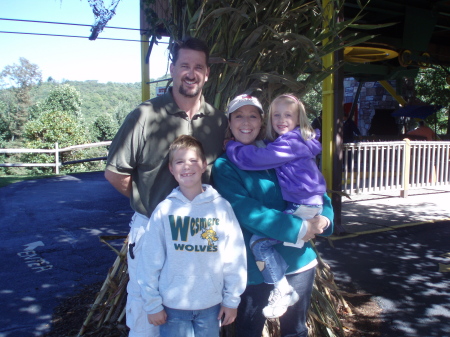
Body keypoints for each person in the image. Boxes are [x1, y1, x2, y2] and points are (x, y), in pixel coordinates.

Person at [104, 37, 228, 337]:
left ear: (207, 73)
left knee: (194, 318)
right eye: (184, 65)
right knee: (148, 320)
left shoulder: (218, 121)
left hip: (199, 233)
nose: (191, 73)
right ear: (172, 69)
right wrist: (151, 205)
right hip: (150, 231)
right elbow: (115, 173)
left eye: (198, 67)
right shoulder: (146, 116)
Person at [212, 94, 334, 337]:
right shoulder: (224, 166)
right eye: (239, 116)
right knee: (249, 331)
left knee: (296, 331)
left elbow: (315, 189)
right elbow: (245, 211)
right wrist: (298, 228)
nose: (246, 122)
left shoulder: (278, 150)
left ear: (260, 122)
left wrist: (325, 219)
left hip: (298, 260)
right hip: (254, 267)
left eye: (252, 116)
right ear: (229, 122)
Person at [136, 135, 247, 337]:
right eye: (179, 161)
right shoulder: (164, 210)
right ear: (171, 169)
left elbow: (234, 256)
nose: (187, 166)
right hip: (172, 308)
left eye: (193, 160)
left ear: (204, 165)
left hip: (210, 306)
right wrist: (152, 304)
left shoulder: (221, 208)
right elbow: (150, 260)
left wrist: (231, 300)